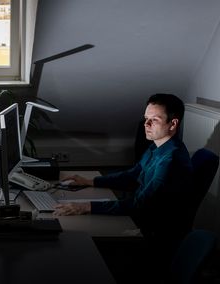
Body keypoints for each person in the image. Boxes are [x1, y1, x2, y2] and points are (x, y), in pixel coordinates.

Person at [54, 93, 193, 269]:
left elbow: (140, 204)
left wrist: (85, 206)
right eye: (146, 118)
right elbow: (132, 175)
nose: (146, 124)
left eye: (154, 120)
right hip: (141, 219)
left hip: (150, 234)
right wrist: (91, 181)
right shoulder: (158, 146)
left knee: (74, 241)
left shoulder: (171, 160)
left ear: (173, 124)